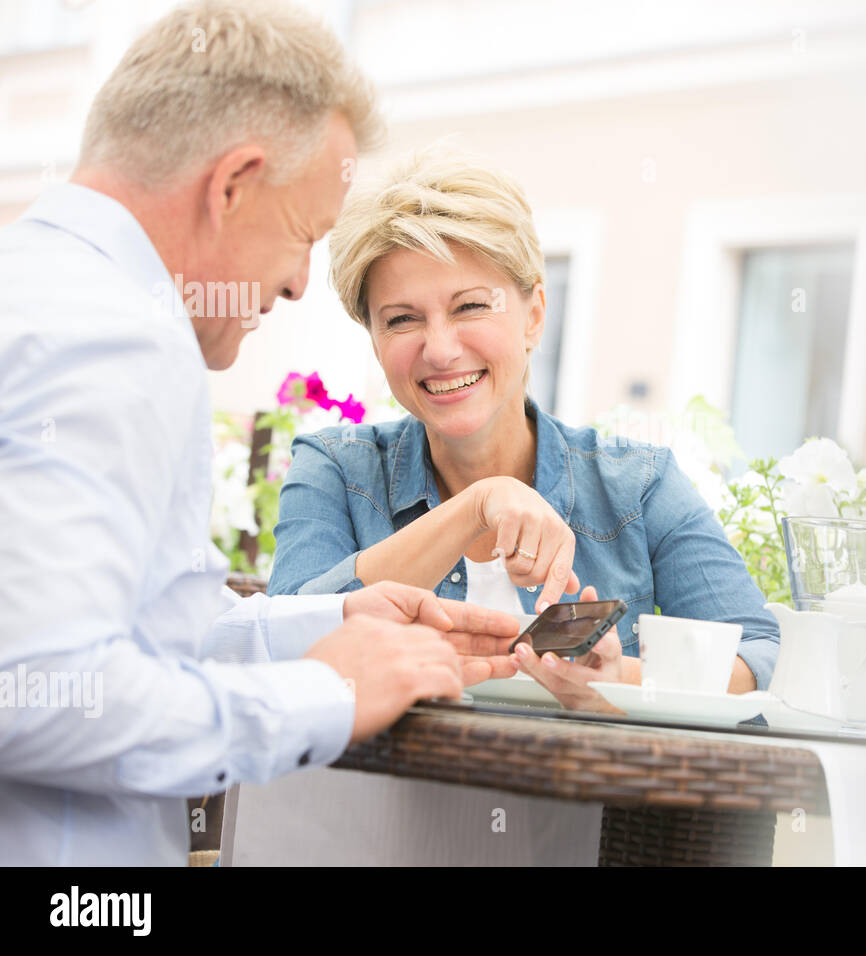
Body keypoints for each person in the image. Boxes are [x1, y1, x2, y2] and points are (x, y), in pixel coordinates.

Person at [0, 0, 518, 867]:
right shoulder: (113, 335)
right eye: (303, 235)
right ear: (232, 184)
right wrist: (327, 693)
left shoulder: (40, 288)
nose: (296, 286)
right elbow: (44, 692)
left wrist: (337, 622)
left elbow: (134, 629)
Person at [268, 147, 781, 711]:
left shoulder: (637, 484)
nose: (439, 350)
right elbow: (283, 644)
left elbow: (759, 656)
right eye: (402, 319)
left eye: (469, 307)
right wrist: (477, 506)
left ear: (534, 313)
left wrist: (619, 679)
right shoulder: (336, 468)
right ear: (374, 340)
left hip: (595, 799)